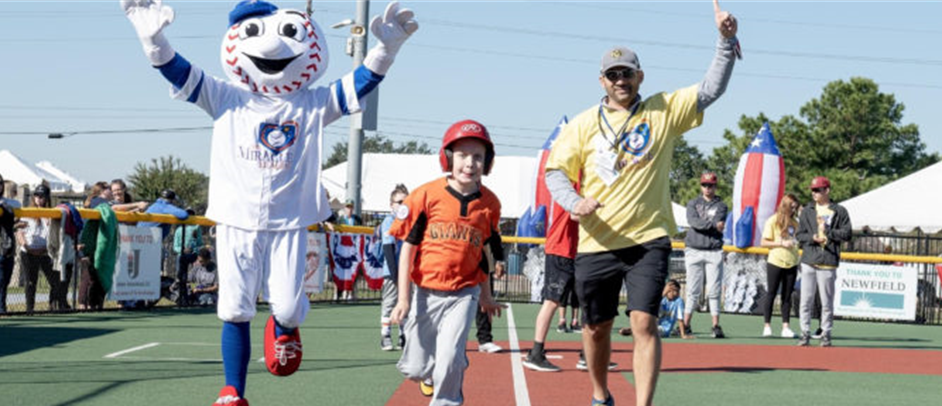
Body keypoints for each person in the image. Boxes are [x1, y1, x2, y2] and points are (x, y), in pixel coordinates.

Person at [120, 1, 417, 404]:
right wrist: (153, 39)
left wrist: (387, 50)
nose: (273, 48)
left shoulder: (312, 103)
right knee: (235, 308)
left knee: (290, 308)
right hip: (236, 219)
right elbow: (177, 70)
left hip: (289, 222)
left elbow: (358, 83)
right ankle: (232, 391)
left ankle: (286, 327)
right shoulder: (224, 96)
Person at [542, 1, 740, 403]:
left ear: (639, 76)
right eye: (613, 75)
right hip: (597, 241)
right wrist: (573, 202)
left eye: (627, 73)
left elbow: (710, 89)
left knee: (644, 322)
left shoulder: (661, 110)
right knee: (595, 329)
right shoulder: (582, 124)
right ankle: (601, 395)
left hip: (648, 239)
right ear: (602, 81)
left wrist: (726, 40)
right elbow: (554, 173)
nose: (621, 80)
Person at [389, 120, 505, 405]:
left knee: (451, 356)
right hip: (425, 293)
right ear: (448, 158)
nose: (470, 162)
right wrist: (403, 299)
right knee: (415, 368)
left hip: (464, 293)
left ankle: (447, 398)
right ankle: (429, 376)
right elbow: (408, 251)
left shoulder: (490, 203)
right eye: (463, 155)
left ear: (487, 162)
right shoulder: (426, 195)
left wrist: (486, 296)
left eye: (478, 156)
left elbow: (484, 256)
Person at [523, 183, 582, 372]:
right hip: (561, 250)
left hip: (571, 251)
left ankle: (589, 353)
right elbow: (576, 213)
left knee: (587, 299)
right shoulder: (573, 184)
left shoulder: (580, 181)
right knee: (552, 301)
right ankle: (536, 352)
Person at [796, 176, 852, 347]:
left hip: (828, 259)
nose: (814, 193)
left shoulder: (839, 211)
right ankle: (804, 332)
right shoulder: (807, 211)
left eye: (817, 190)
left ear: (826, 190)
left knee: (826, 301)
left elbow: (847, 234)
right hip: (809, 260)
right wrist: (812, 238)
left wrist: (829, 231)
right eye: (812, 190)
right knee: (805, 299)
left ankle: (826, 332)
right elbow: (799, 235)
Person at [682, 172, 728, 338]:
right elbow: (693, 222)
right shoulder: (693, 203)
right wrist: (713, 225)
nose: (707, 188)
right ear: (701, 186)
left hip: (713, 251)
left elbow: (719, 220)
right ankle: (685, 324)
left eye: (711, 185)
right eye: (705, 185)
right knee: (692, 290)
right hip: (694, 249)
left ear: (716, 186)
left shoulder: (721, 205)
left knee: (714, 291)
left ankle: (715, 325)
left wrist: (709, 225)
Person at [15, 184, 63, 313]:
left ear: (47, 198)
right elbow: (20, 233)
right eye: (36, 195)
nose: (38, 198)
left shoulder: (51, 214)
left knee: (55, 281)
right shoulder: (27, 212)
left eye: (42, 196)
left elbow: (54, 236)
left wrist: (44, 250)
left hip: (46, 252)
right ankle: (29, 309)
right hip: (29, 252)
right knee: (30, 283)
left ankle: (53, 307)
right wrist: (27, 247)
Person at [759, 193, 800, 338]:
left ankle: (786, 327)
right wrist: (781, 243)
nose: (794, 210)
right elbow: (763, 242)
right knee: (771, 293)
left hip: (792, 262)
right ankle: (767, 325)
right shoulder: (772, 221)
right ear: (785, 205)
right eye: (792, 206)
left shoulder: (795, 222)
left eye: (796, 207)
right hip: (775, 261)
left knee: (787, 296)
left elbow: (797, 239)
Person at [380, 183, 409, 351]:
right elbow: (388, 248)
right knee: (390, 302)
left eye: (406, 201)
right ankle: (385, 334)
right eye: (399, 202)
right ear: (391, 205)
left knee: (406, 303)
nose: (403, 204)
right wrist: (395, 273)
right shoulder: (389, 221)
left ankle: (403, 335)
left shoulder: (409, 221)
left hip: (407, 271)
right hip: (393, 271)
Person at [0, 174, 23, 314]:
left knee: (5, 281)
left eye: (1, 183)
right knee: (1, 281)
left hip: (7, 247)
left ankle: (2, 308)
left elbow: (17, 205)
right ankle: (1, 309)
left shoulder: (7, 203)